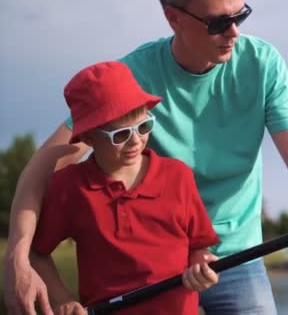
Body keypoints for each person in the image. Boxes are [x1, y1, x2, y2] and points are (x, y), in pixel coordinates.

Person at [3, 0, 288, 314]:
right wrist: (17, 259)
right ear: (173, 18)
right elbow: (45, 167)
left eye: (241, 15)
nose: (234, 31)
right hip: (156, 265)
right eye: (218, 22)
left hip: (237, 256)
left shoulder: (263, 64)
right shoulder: (131, 77)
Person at [28, 61, 220, 315]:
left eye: (143, 126)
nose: (135, 141)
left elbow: (199, 247)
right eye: (120, 135)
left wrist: (202, 268)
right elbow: (36, 253)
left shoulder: (178, 176)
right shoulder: (70, 187)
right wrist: (62, 299)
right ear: (88, 138)